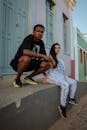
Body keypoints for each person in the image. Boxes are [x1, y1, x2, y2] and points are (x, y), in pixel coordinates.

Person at [44, 43, 77, 119]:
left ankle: (71, 99)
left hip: (61, 76)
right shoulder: (50, 58)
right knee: (65, 85)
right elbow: (44, 68)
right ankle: (62, 106)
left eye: (59, 48)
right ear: (53, 49)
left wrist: (65, 77)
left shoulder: (60, 60)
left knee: (74, 82)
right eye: (56, 48)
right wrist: (46, 77)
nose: (58, 49)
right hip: (53, 76)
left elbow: (62, 71)